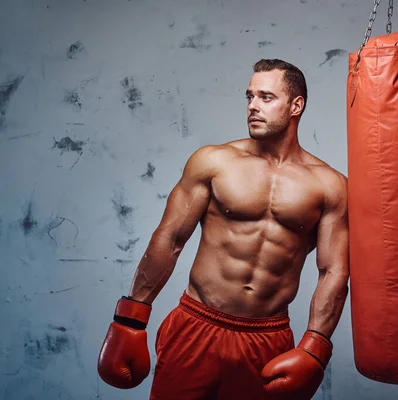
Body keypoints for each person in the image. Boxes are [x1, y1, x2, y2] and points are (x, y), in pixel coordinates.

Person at [97, 59, 350, 400]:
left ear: (296, 106)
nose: (252, 106)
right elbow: (169, 239)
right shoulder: (214, 162)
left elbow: (333, 270)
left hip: (267, 337)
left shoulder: (329, 185)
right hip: (196, 325)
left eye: (266, 97)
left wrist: (315, 345)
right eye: (249, 96)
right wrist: (130, 318)